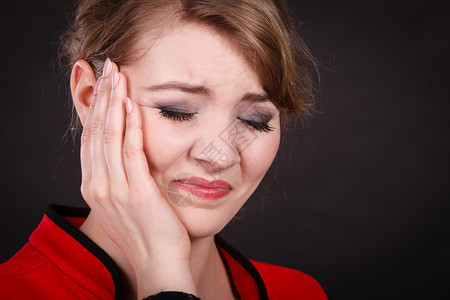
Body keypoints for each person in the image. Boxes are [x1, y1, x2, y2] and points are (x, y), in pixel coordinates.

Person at [0, 0, 327, 299]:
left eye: (255, 120)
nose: (221, 155)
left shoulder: (299, 292)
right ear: (90, 96)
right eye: (177, 111)